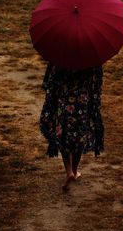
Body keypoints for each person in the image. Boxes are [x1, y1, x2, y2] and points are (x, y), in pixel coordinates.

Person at [39, 63, 104, 191]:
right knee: (79, 136)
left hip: (64, 103)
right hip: (82, 104)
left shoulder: (60, 58)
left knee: (62, 135)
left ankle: (68, 171)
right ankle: (74, 170)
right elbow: (96, 84)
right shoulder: (90, 59)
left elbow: (51, 82)